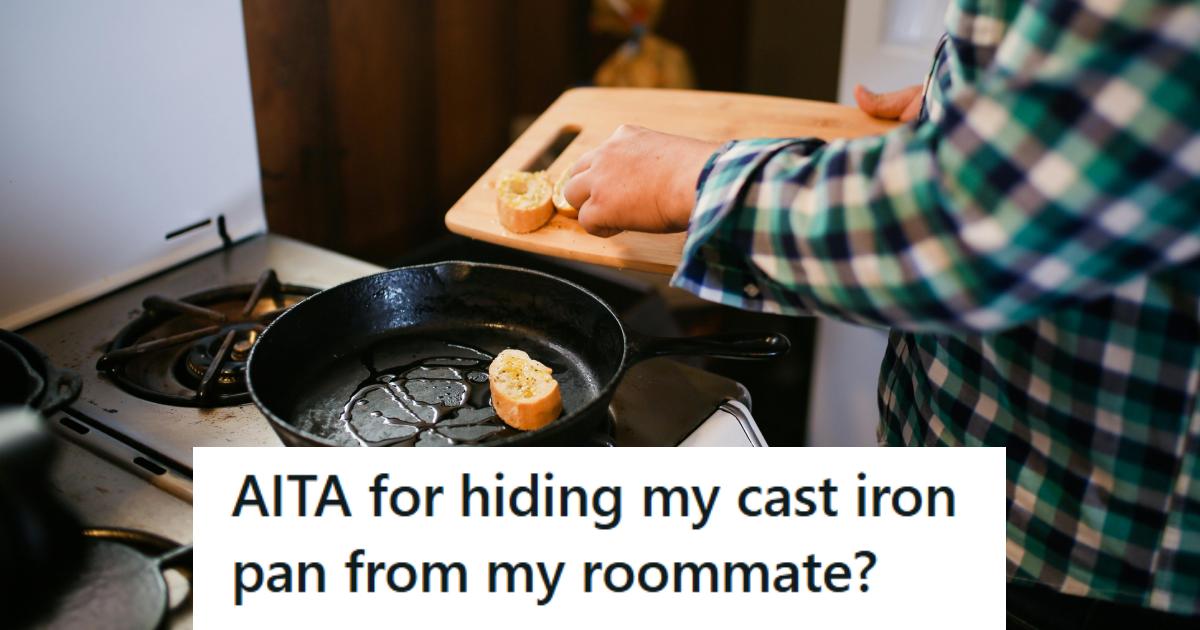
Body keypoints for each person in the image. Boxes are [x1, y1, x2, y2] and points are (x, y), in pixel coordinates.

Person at [563, 0, 1199, 626]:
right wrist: (984, 105)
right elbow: (1123, 117)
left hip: (1078, 554)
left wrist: (693, 180)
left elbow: (969, 221)